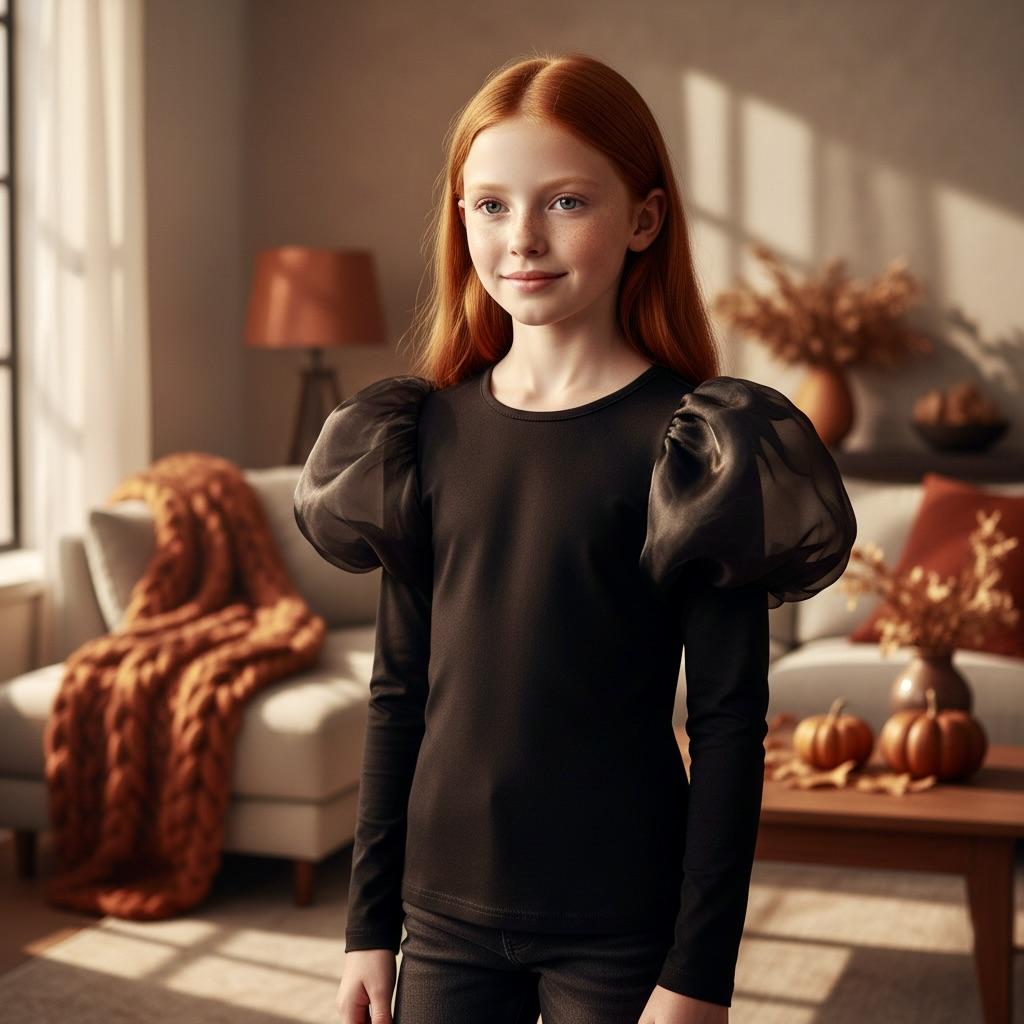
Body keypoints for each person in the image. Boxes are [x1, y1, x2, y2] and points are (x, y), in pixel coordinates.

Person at [294, 51, 857, 1024]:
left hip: (621, 921)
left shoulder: (697, 447)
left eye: (564, 202)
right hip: (442, 911)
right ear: (461, 217)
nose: (522, 238)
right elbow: (397, 695)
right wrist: (367, 925)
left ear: (643, 218)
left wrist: (699, 973)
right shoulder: (417, 436)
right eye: (491, 205)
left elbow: (728, 728)